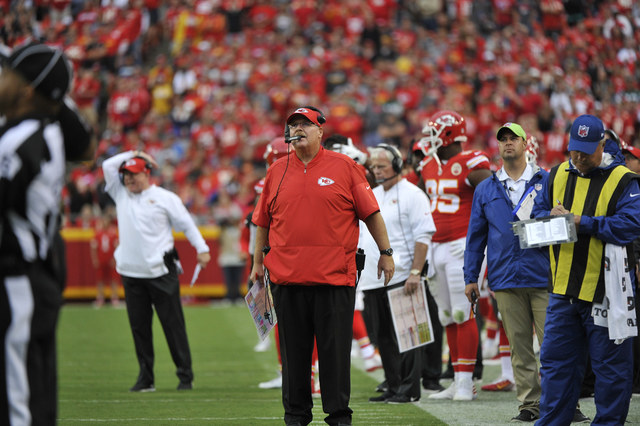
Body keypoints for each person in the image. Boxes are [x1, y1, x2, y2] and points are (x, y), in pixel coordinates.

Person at [250, 106, 394, 426]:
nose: (298, 129)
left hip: (334, 278)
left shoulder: (345, 166)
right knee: (294, 356)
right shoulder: (276, 170)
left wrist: (386, 252)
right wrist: (258, 262)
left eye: (305, 124)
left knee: (335, 354)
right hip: (287, 279)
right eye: (293, 125)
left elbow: (371, 213)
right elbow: (263, 221)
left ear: (320, 132)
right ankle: (295, 417)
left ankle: (339, 417)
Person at [0, 42, 95, 425]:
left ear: (25, 91)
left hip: (17, 279)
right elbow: (84, 141)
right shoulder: (47, 131)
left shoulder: (22, 140)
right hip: (33, 278)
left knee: (18, 404)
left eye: (7, 76)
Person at [532, 114, 640, 425]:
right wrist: (547, 217)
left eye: (586, 152)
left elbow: (630, 226)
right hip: (562, 289)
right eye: (574, 150)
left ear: (602, 145)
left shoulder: (624, 179)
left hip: (607, 291)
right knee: (556, 365)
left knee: (611, 369)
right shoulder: (556, 174)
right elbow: (536, 214)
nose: (578, 158)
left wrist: (582, 222)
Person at [102, 149, 211, 392]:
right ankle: (146, 378)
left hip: (161, 271)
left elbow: (187, 224)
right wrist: (136, 152)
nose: (129, 179)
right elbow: (108, 166)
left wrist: (202, 248)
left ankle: (185, 375)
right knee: (139, 329)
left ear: (147, 173)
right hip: (131, 273)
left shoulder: (165, 197)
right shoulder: (121, 194)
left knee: (173, 326)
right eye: (126, 174)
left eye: (134, 173)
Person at [463, 122, 550, 421]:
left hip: (543, 275)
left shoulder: (547, 181)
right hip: (505, 277)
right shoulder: (485, 188)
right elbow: (476, 237)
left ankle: (562, 401)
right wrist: (470, 277)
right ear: (498, 146)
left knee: (554, 346)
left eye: (514, 138)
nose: (508, 142)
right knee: (519, 348)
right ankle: (530, 405)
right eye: (503, 139)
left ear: (525, 144)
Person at [418, 110, 492, 401]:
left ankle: (466, 381)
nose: (430, 138)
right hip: (435, 246)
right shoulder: (427, 165)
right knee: (446, 315)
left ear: (449, 134)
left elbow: (493, 198)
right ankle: (457, 378)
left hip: (462, 245)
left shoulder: (472, 162)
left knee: (463, 312)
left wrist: (485, 240)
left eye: (435, 132)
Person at [359, 144, 436, 404]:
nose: (377, 171)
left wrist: (416, 272)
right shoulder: (372, 193)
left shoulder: (414, 194)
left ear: (397, 164)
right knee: (383, 336)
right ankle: (393, 385)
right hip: (373, 278)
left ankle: (410, 388)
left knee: (409, 334)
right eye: (373, 167)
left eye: (382, 166)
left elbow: (423, 236)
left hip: (403, 274)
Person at [90, 208, 120, 307]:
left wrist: (115, 259)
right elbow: (94, 247)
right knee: (100, 279)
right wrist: (95, 259)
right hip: (101, 258)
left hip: (110, 259)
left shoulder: (113, 232)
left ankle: (114, 297)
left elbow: (117, 246)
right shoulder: (98, 233)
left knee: (114, 279)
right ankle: (100, 298)